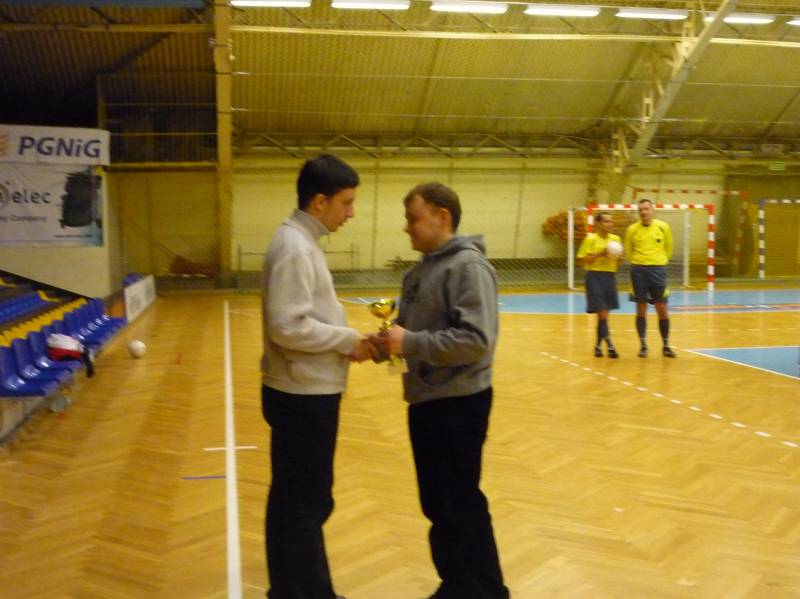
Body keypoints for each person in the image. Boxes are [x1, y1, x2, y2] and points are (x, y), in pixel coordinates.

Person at [373, 182, 509, 599]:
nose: (407, 228)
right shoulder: (417, 272)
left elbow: (477, 340)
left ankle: (487, 592)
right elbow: (411, 335)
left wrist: (410, 343)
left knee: (460, 501)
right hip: (426, 400)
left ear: (442, 217)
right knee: (436, 503)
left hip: (460, 402)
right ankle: (456, 584)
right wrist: (386, 345)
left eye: (413, 218)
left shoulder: (468, 267)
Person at [260, 154, 374, 599]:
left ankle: (287, 589)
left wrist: (346, 340)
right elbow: (287, 326)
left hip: (300, 390)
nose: (351, 212)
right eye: (347, 202)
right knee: (308, 501)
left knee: (290, 498)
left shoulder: (300, 241)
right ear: (320, 201)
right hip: (303, 395)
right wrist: (347, 340)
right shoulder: (294, 247)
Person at [624, 198, 677, 358]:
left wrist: (658, 261)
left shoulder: (663, 227)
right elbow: (628, 251)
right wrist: (639, 262)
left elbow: (669, 249)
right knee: (641, 308)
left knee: (662, 308)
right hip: (638, 271)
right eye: (640, 209)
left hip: (657, 270)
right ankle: (643, 346)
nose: (643, 212)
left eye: (646, 209)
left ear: (652, 210)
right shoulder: (632, 229)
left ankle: (666, 345)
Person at [576, 211, 622, 358]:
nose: (610, 224)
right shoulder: (591, 239)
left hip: (610, 277)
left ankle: (597, 346)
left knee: (604, 317)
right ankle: (610, 346)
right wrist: (600, 254)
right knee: (601, 313)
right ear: (599, 224)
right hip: (594, 277)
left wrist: (618, 257)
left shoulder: (616, 240)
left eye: (611, 221)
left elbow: (619, 262)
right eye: (606, 221)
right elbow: (582, 259)